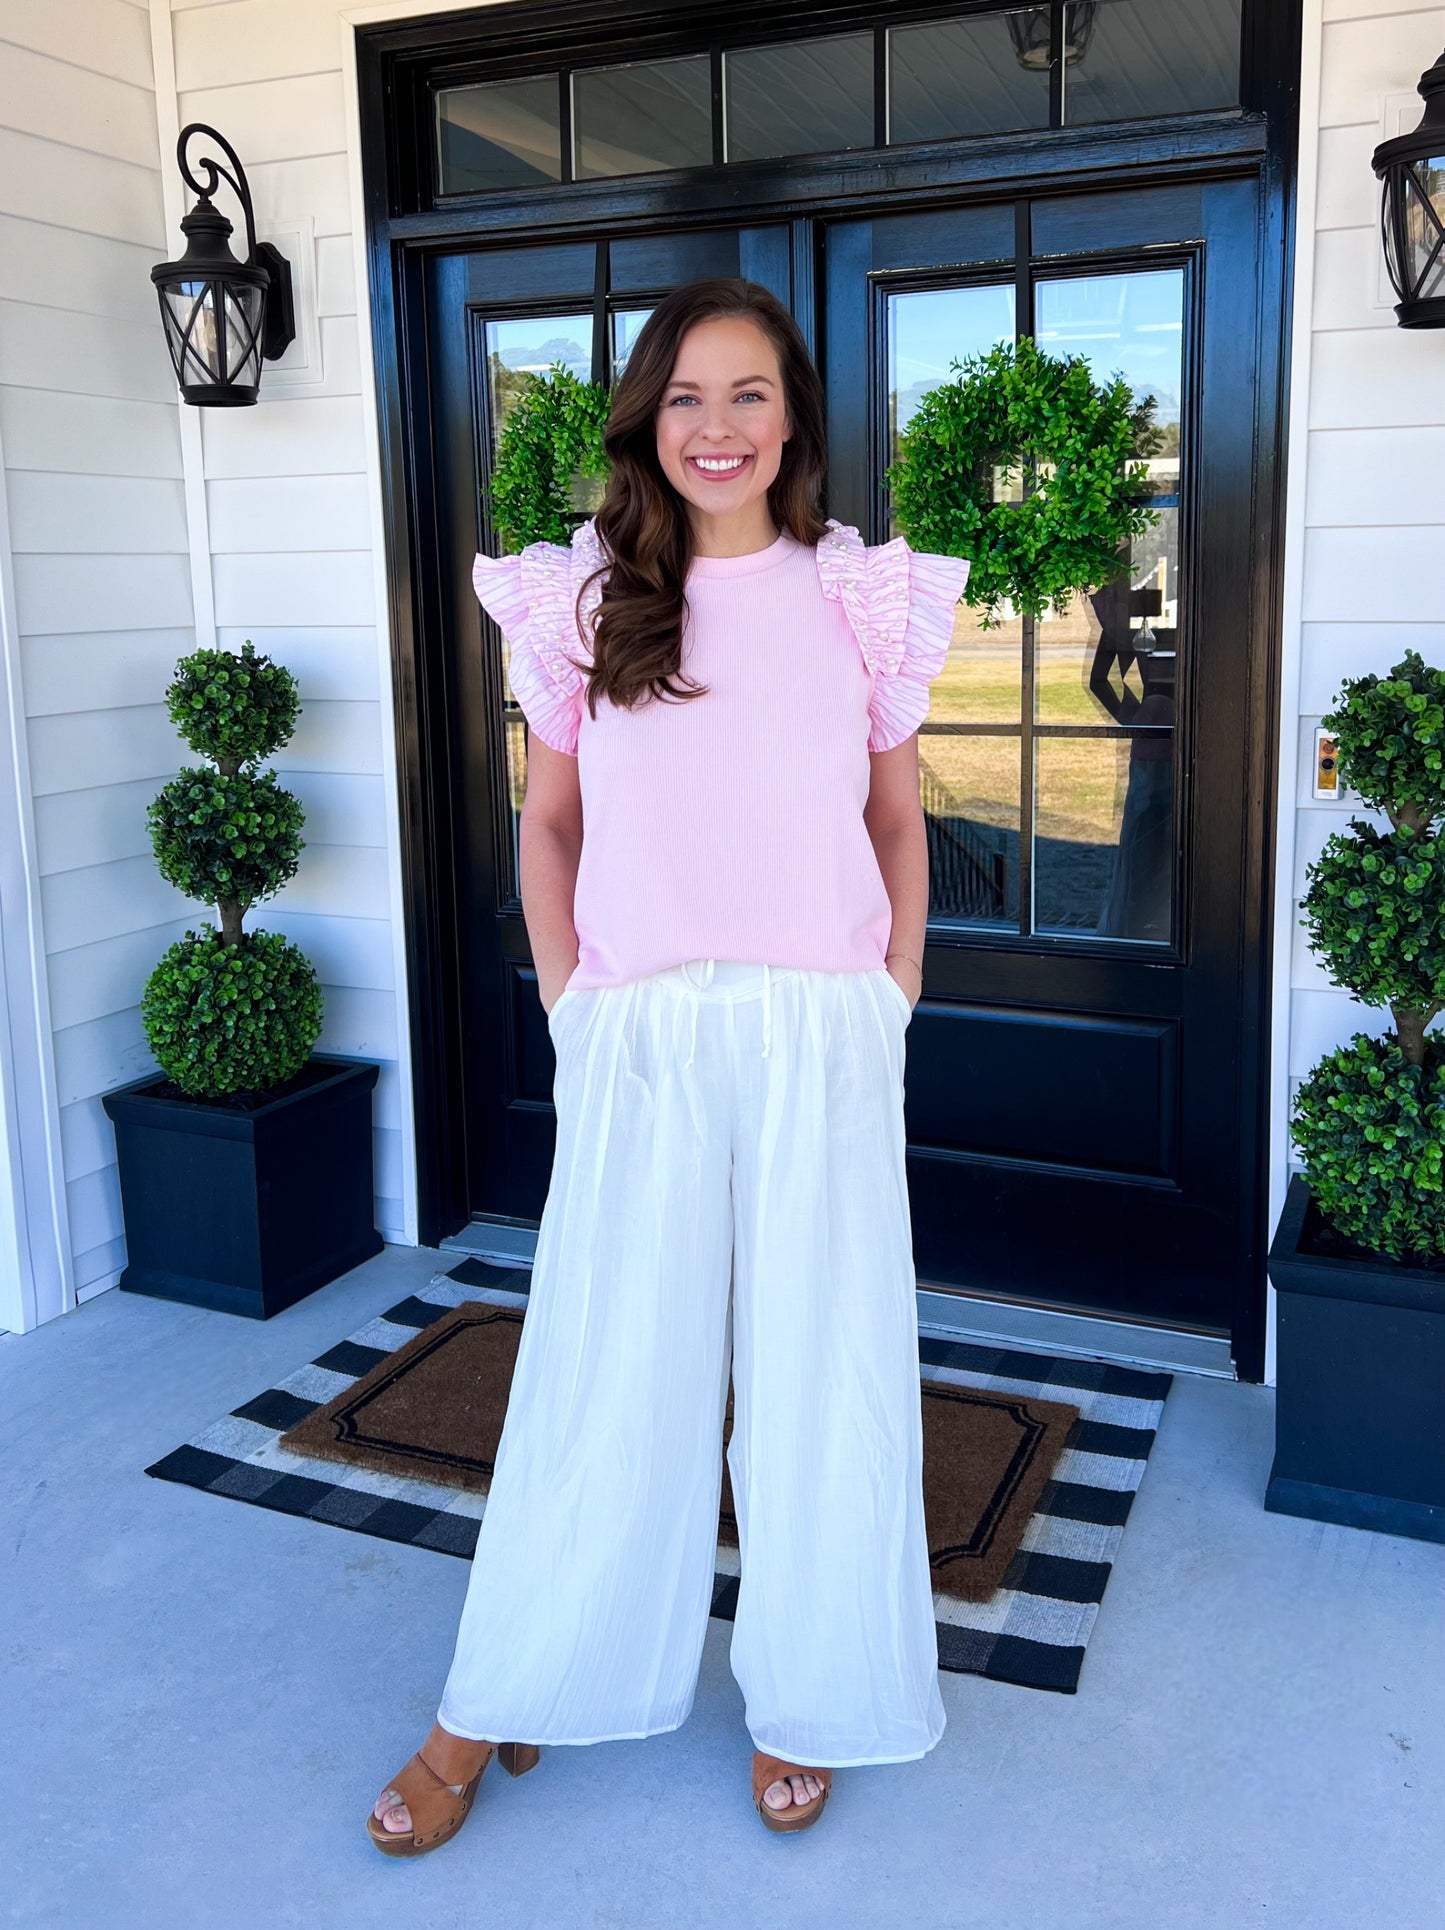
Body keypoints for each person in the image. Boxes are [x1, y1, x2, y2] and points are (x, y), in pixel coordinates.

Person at [368, 276, 970, 1855]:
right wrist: (574, 1003)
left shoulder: (858, 597)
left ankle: (810, 1694)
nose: (719, 426)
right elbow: (549, 826)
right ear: (647, 418)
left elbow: (895, 824)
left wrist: (886, 995)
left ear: (793, 420)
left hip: (816, 1032)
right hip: (637, 1037)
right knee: (597, 1371)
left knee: (819, 1378)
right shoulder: (582, 602)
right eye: (688, 396)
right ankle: (495, 1692)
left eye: (750, 393)